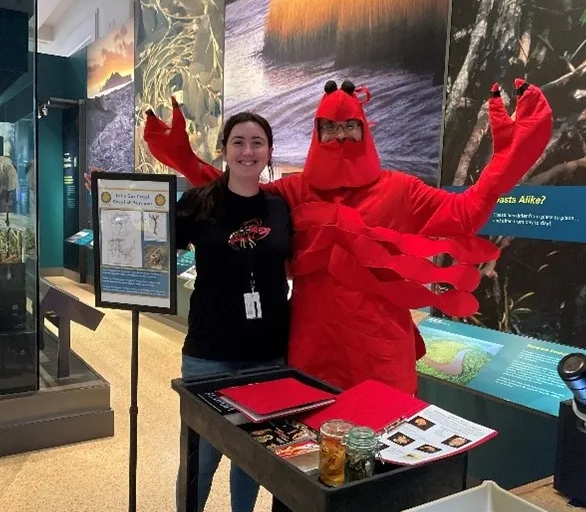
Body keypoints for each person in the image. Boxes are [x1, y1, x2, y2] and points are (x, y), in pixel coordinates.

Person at [144, 79, 552, 396]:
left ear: (364, 128)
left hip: (379, 350)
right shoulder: (295, 190)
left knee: (377, 466)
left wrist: (505, 163)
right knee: (299, 464)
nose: (340, 137)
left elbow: (464, 214)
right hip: (310, 347)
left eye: (349, 127)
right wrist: (185, 160)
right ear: (316, 132)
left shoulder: (400, 190)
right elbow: (234, 195)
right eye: (330, 128)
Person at [87, 111, 292, 512]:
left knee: (251, 457)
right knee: (200, 457)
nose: (247, 151)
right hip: (207, 352)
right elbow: (152, 243)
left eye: (257, 143)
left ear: (268, 152)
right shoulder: (200, 202)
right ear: (223, 150)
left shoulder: (281, 208)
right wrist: (117, 208)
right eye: (238, 142)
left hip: (267, 355)